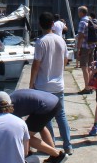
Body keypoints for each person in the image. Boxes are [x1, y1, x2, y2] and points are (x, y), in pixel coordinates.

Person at [30, 11, 72, 154]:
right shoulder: (61, 40)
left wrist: (31, 83)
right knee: (61, 115)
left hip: (43, 85)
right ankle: (68, 145)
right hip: (58, 84)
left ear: (39, 24)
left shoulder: (41, 42)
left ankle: (51, 145)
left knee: (45, 117)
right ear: (53, 24)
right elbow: (66, 60)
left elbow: (36, 65)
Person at [0, 88, 67, 163]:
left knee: (27, 137)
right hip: (54, 101)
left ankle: (58, 155)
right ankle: (53, 156)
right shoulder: (12, 98)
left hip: (46, 107)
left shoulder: (10, 108)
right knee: (41, 127)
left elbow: (18, 129)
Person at [74, 6, 94, 93]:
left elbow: (81, 36)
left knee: (84, 67)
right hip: (92, 46)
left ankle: (87, 87)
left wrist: (78, 49)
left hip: (85, 47)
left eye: (78, 12)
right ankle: (91, 86)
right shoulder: (91, 20)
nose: (78, 13)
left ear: (82, 12)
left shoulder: (82, 22)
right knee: (90, 67)